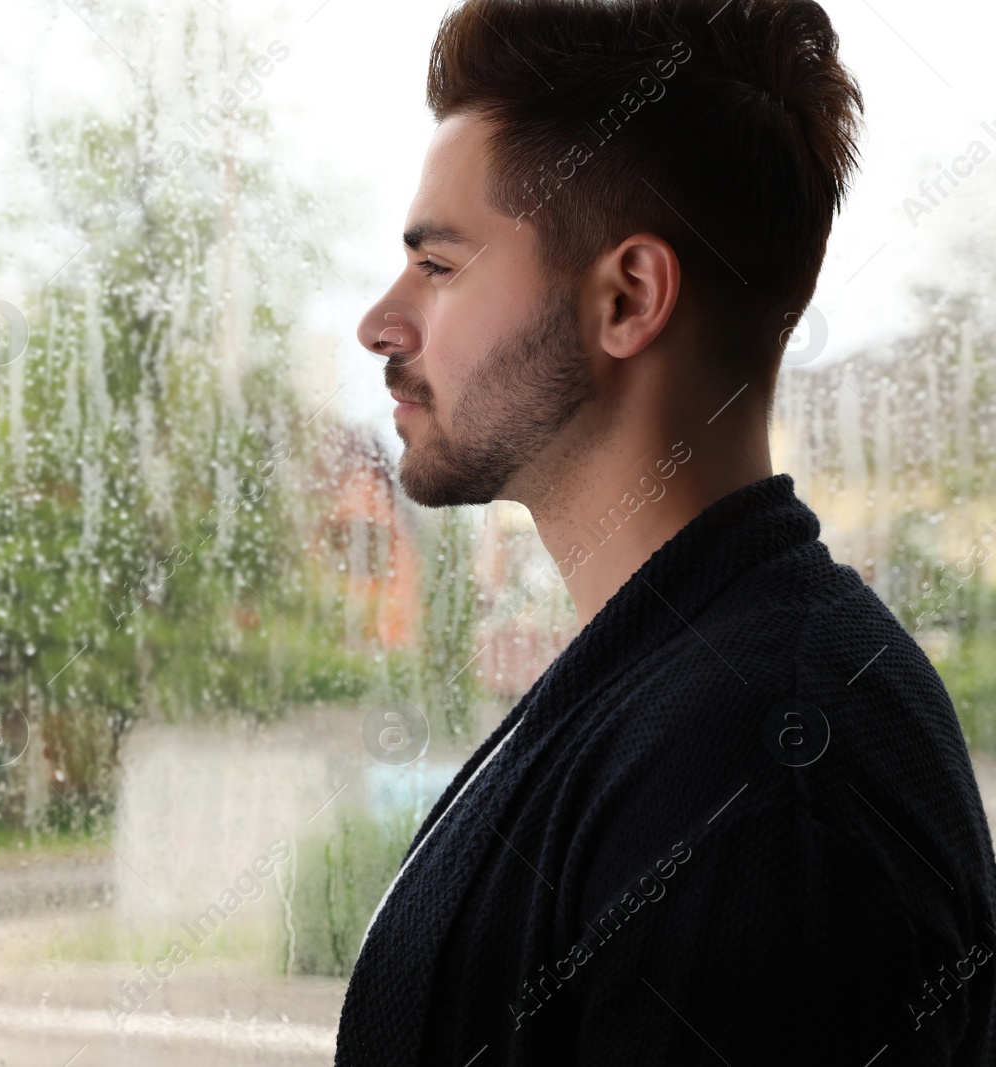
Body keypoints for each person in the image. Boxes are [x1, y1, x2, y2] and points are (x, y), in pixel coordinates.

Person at [337, 0, 996, 1063]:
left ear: (627, 297)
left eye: (439, 266)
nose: (379, 321)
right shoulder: (665, 692)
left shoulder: (769, 776)